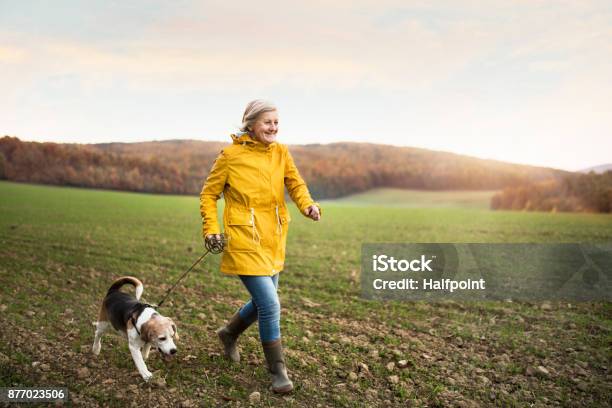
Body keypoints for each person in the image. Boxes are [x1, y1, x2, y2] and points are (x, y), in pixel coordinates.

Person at [199, 100, 321, 393]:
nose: (273, 127)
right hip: (243, 238)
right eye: (267, 122)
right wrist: (211, 229)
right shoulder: (230, 156)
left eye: (276, 122)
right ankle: (278, 371)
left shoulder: (281, 152)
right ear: (251, 124)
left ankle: (228, 334)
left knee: (262, 302)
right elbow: (208, 194)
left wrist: (307, 205)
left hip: (273, 237)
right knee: (270, 304)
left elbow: (296, 184)